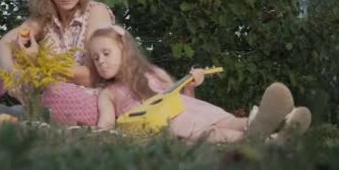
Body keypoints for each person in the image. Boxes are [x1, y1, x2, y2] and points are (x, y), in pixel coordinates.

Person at [86, 25, 312, 144]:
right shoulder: (108, 93)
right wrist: (99, 135)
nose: (101, 61)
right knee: (215, 134)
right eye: (96, 58)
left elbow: (182, 99)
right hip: (168, 125)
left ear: (124, 50)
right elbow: (105, 124)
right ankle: (274, 134)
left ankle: (274, 124)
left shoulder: (153, 72)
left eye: (106, 53)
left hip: (188, 110)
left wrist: (191, 84)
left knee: (230, 121)